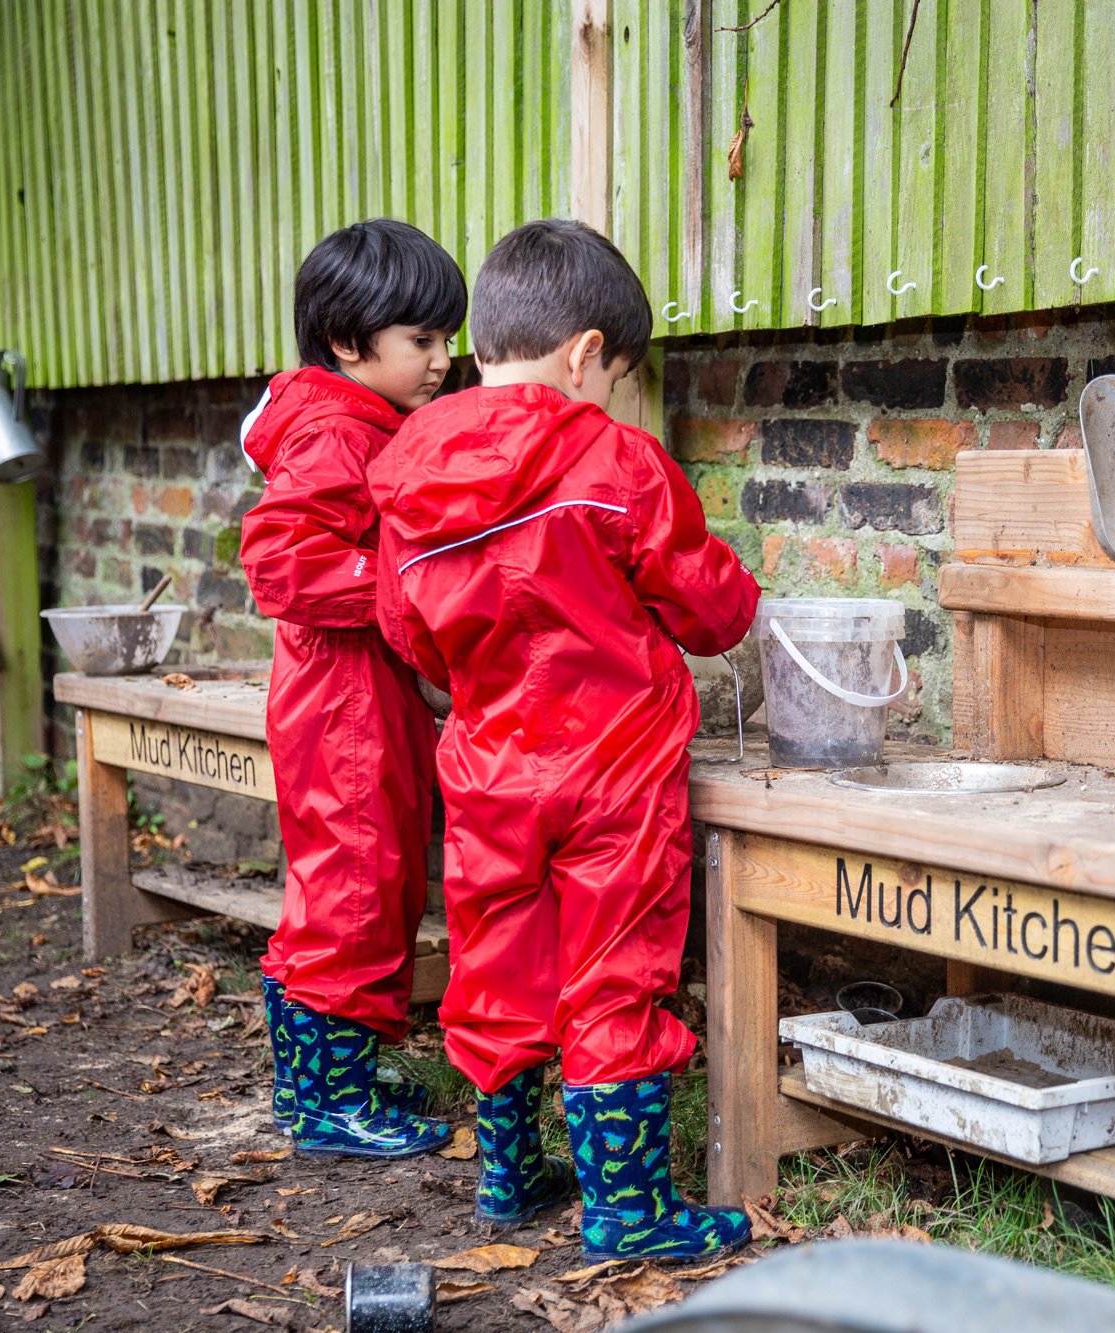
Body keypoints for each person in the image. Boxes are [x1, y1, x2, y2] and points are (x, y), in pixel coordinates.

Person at [368, 218, 759, 1252]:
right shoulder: (611, 457)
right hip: (612, 767)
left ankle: (509, 1173)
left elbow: (404, 628)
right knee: (616, 968)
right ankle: (629, 1210)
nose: (612, 392)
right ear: (587, 352)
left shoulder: (407, 469)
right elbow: (709, 607)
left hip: (489, 762)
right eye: (616, 372)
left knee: (494, 960)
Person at [239, 218, 466, 1158]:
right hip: (345, 702)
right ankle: (329, 1105)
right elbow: (279, 564)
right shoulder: (335, 430)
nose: (444, 360)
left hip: (353, 689)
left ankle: (317, 1084)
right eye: (422, 341)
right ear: (346, 341)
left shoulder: (361, 420)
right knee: (358, 887)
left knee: (345, 878)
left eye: (447, 338)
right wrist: (409, 586)